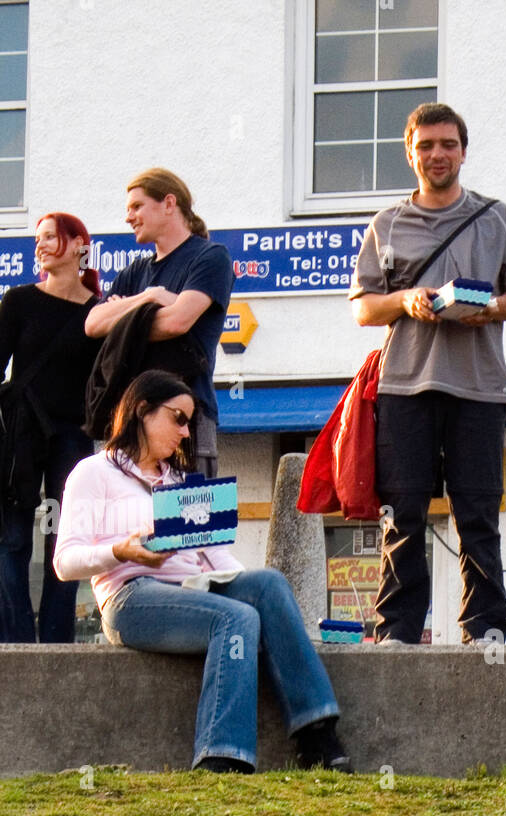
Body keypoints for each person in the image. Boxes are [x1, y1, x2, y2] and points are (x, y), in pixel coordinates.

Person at [54, 371, 351, 774]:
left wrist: (264, 601)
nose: (186, 432)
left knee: (268, 583)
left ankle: (316, 733)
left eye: (189, 422)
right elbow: (65, 562)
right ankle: (221, 755)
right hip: (131, 596)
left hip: (194, 589)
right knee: (235, 617)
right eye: (178, 418)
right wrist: (121, 551)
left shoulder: (179, 483)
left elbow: (219, 559)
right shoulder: (94, 472)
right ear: (142, 410)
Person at [350, 102, 506, 645]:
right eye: (427, 145)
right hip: (404, 386)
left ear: (463, 151)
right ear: (410, 152)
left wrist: (493, 308)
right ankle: (398, 632)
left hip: (480, 388)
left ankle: (485, 630)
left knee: (478, 515)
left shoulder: (497, 216)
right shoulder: (386, 224)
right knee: (401, 515)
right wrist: (405, 300)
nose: (438, 154)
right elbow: (363, 308)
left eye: (448, 145)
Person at [84, 169, 233, 477]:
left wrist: (123, 321)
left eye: (136, 207)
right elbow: (92, 324)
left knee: (190, 521)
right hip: (129, 416)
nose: (129, 217)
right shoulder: (135, 273)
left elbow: (178, 321)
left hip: (185, 416)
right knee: (122, 520)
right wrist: (148, 298)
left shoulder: (211, 257)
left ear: (169, 203)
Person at [0, 213, 101, 642]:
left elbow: (106, 376)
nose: (38, 245)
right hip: (20, 433)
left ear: (79, 244)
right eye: (36, 238)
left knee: (65, 538)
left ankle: (59, 644)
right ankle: (15, 642)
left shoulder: (100, 310)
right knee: (13, 538)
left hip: (72, 436)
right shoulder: (19, 300)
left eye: (49, 237)